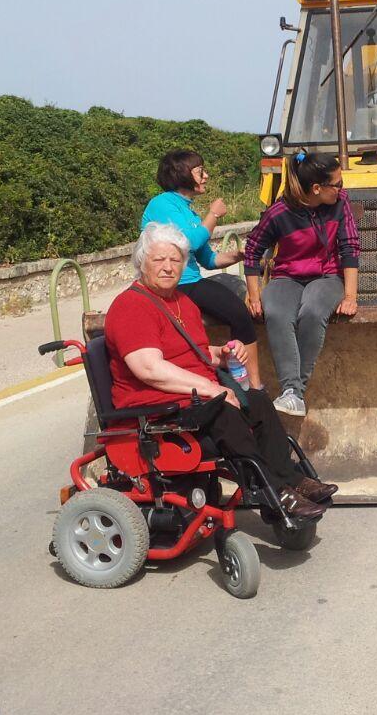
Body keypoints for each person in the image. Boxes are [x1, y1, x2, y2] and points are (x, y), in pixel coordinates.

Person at [104, 222, 336, 520]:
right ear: (141, 263)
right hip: (157, 407)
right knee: (223, 411)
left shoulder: (181, 302)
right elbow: (149, 368)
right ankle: (274, 492)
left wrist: (223, 355)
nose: (167, 267)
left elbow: (194, 354)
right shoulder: (131, 307)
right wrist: (212, 388)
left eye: (175, 260)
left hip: (191, 397)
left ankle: (291, 479)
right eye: (158, 259)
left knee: (259, 400)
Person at [243, 152, 360, 417]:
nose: (342, 188)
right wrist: (254, 296)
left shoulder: (340, 202)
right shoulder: (279, 213)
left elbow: (350, 247)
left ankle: (295, 392)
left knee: (313, 311)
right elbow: (252, 251)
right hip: (287, 277)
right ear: (317, 188)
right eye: (337, 183)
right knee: (278, 313)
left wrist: (350, 295)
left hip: (326, 276)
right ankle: (291, 392)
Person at [141, 149, 263, 389]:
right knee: (238, 312)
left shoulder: (188, 211)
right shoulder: (162, 204)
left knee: (233, 306)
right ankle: (253, 382)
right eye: (200, 172)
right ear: (182, 174)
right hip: (179, 283)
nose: (205, 176)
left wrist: (239, 255)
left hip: (191, 280)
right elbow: (188, 243)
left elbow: (209, 259)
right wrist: (214, 215)